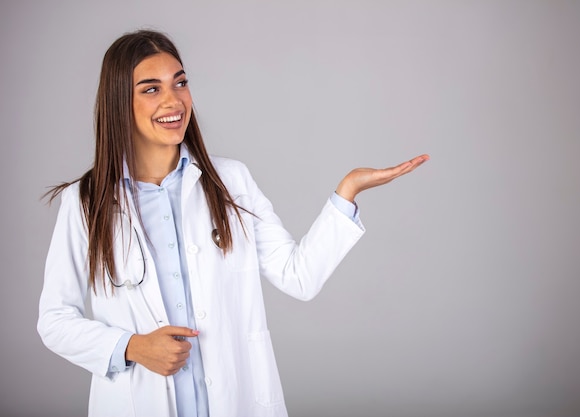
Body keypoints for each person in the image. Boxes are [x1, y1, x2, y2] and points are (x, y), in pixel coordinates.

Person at [37, 29, 429, 417]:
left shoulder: (231, 183)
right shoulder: (88, 202)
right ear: (119, 102)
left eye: (181, 82)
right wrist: (130, 346)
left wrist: (347, 192)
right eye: (151, 89)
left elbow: (298, 276)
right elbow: (54, 321)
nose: (174, 100)